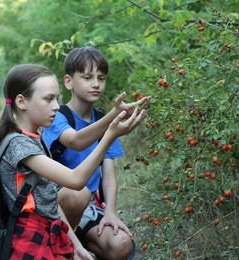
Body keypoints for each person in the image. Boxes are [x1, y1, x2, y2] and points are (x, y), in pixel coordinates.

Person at [0, 63, 146, 259]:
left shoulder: (33, 138)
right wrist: (110, 135)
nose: (56, 106)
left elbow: (50, 203)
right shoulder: (19, 145)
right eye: (48, 99)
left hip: (46, 230)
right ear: (22, 102)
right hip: (30, 241)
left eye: (56, 99)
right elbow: (75, 180)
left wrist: (75, 246)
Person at [42, 47, 150, 259]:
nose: (96, 84)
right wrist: (113, 116)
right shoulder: (57, 116)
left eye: (101, 78)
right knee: (76, 193)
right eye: (87, 77)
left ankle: (80, 244)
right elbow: (75, 141)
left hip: (89, 208)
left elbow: (109, 176)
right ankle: (63, 245)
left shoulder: (103, 120)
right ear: (68, 81)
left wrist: (110, 211)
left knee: (121, 244)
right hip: (57, 204)